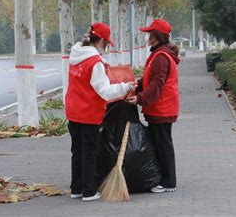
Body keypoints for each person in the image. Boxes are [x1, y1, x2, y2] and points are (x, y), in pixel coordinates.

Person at [65, 22, 136, 202]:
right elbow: (104, 91)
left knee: (77, 151)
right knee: (89, 152)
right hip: (88, 112)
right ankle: (89, 191)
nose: (105, 48)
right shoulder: (94, 62)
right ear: (101, 40)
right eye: (106, 44)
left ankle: (77, 188)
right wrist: (125, 87)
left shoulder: (76, 56)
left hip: (73, 110)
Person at [127, 18, 180, 193]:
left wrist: (140, 99)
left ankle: (168, 181)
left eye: (149, 33)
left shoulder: (161, 57)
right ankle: (165, 178)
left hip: (162, 108)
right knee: (160, 143)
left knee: (163, 144)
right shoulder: (158, 54)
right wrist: (137, 85)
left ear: (155, 37)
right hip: (160, 107)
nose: (147, 36)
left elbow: (157, 85)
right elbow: (149, 79)